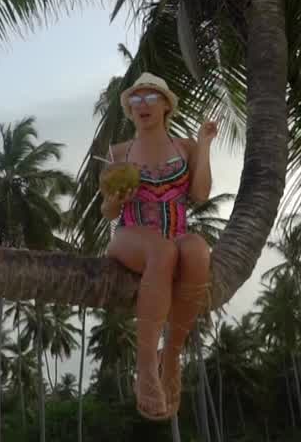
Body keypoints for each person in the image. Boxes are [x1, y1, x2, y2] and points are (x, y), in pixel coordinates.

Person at [101, 72, 216, 420]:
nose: (142, 106)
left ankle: (172, 356)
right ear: (130, 111)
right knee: (162, 251)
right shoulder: (118, 153)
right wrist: (117, 198)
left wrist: (205, 145)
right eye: (135, 101)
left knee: (197, 251)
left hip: (176, 232)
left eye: (151, 98)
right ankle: (147, 364)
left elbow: (199, 195)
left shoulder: (185, 148)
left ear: (166, 105)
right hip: (130, 236)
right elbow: (108, 210)